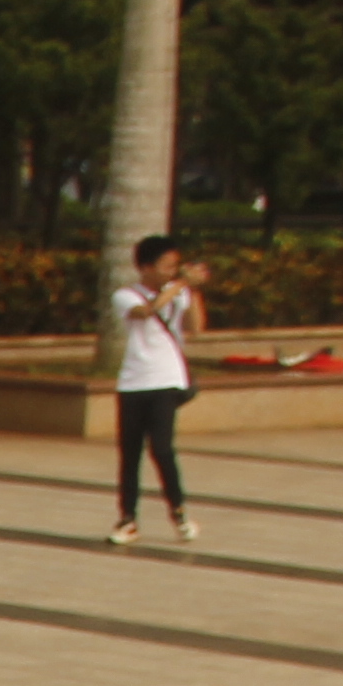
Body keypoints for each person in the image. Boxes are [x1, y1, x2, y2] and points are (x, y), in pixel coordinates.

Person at [110, 233, 201, 546]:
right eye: (167, 266)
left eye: (176, 266)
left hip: (166, 380)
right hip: (133, 382)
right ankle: (128, 518)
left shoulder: (178, 293)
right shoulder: (126, 295)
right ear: (146, 267)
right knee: (130, 453)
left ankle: (179, 511)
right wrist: (180, 285)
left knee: (162, 449)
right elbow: (145, 312)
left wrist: (192, 291)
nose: (172, 271)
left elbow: (195, 327)